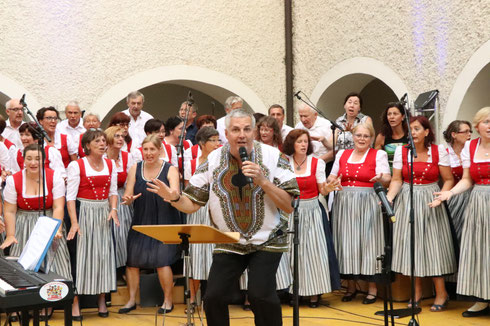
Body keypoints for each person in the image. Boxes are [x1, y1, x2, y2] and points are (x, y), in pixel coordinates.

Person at [147, 109, 299, 326]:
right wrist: (174, 197)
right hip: (228, 241)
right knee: (213, 298)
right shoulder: (213, 159)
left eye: (247, 129)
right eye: (235, 129)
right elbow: (191, 204)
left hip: (268, 239)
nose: (242, 135)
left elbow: (289, 205)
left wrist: (264, 181)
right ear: (226, 134)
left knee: (260, 296)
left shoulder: (274, 156)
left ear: (254, 131)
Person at [386, 115, 456, 312]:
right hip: (407, 198)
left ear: (426, 132)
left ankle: (441, 292)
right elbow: (397, 179)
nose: (413, 132)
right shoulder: (402, 151)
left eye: (417, 129)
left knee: (434, 246)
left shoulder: (438, 151)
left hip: (430, 199)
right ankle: (415, 292)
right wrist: (390, 198)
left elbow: (448, 179)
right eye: (411, 129)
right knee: (411, 246)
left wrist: (441, 196)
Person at [0, 144, 71, 320]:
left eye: (37, 158)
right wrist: (10, 234)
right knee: (22, 266)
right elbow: (9, 210)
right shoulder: (13, 180)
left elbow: (58, 206)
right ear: (23, 160)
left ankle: (47, 304)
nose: (33, 162)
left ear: (44, 160)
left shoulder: (54, 177)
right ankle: (22, 303)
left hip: (48, 223)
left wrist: (57, 228)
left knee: (53, 264)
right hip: (23, 222)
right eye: (29, 158)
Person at [435, 107, 490, 317]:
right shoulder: (471, 147)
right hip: (478, 200)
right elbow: (467, 179)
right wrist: (449, 193)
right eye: (486, 121)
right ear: (477, 126)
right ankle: (481, 299)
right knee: (479, 250)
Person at [118, 134, 182, 315]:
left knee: (162, 262)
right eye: (145, 149)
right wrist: (128, 199)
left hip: (164, 220)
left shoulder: (170, 169)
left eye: (152, 149)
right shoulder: (135, 168)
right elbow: (127, 195)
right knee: (132, 262)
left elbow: (175, 193)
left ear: (159, 149)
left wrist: (169, 193)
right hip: (141, 219)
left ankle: (167, 301)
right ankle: (131, 300)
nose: (148, 153)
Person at [328, 123, 391, 304]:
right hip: (345, 202)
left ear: (371, 139)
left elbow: (387, 178)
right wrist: (331, 181)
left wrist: (381, 178)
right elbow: (332, 176)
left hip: (368, 202)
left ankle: (372, 288)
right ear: (353, 137)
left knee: (370, 242)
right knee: (347, 242)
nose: (362, 139)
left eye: (366, 136)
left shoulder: (378, 154)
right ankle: (351, 286)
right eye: (358, 135)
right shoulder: (342, 154)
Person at [283, 129, 341, 307]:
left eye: (306, 141)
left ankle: (315, 293)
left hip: (313, 210)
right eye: (299, 141)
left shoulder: (317, 163)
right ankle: (295, 291)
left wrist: (329, 188)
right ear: (292, 144)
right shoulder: (284, 163)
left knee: (314, 252)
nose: (303, 145)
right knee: (293, 253)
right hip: (291, 210)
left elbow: (322, 190)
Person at [66, 129, 119, 320]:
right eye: (97, 141)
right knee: (81, 257)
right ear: (87, 145)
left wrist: (113, 209)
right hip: (84, 212)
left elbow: (113, 191)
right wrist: (74, 222)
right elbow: (70, 197)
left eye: (104, 141)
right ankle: (75, 302)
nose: (102, 144)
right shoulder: (76, 165)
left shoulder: (110, 164)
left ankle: (102, 299)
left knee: (103, 255)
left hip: (103, 212)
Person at [183, 127, 220, 308]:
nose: (217, 144)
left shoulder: (222, 160)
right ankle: (192, 299)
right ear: (202, 144)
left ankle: (212, 299)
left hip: (216, 210)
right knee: (196, 252)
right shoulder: (191, 163)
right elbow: (189, 191)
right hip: (197, 210)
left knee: (215, 253)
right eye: (212, 140)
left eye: (217, 140)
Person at [104, 126, 135, 271]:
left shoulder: (127, 156)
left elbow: (131, 180)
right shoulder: (101, 156)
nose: (121, 139)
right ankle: (108, 267)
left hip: (122, 196)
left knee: (122, 233)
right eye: (116, 136)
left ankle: (121, 267)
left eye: (122, 136)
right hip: (104, 198)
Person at [441, 120, 473, 242]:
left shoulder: (473, 151)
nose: (469, 134)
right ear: (454, 134)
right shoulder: (445, 152)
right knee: (455, 231)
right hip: (453, 197)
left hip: (471, 196)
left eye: (470, 131)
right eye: (465, 131)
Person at [374, 102, 409, 168]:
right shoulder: (382, 137)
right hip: (388, 174)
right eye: (389, 114)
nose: (391, 117)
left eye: (395, 114)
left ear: (403, 116)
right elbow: (377, 160)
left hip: (407, 173)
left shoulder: (410, 135)